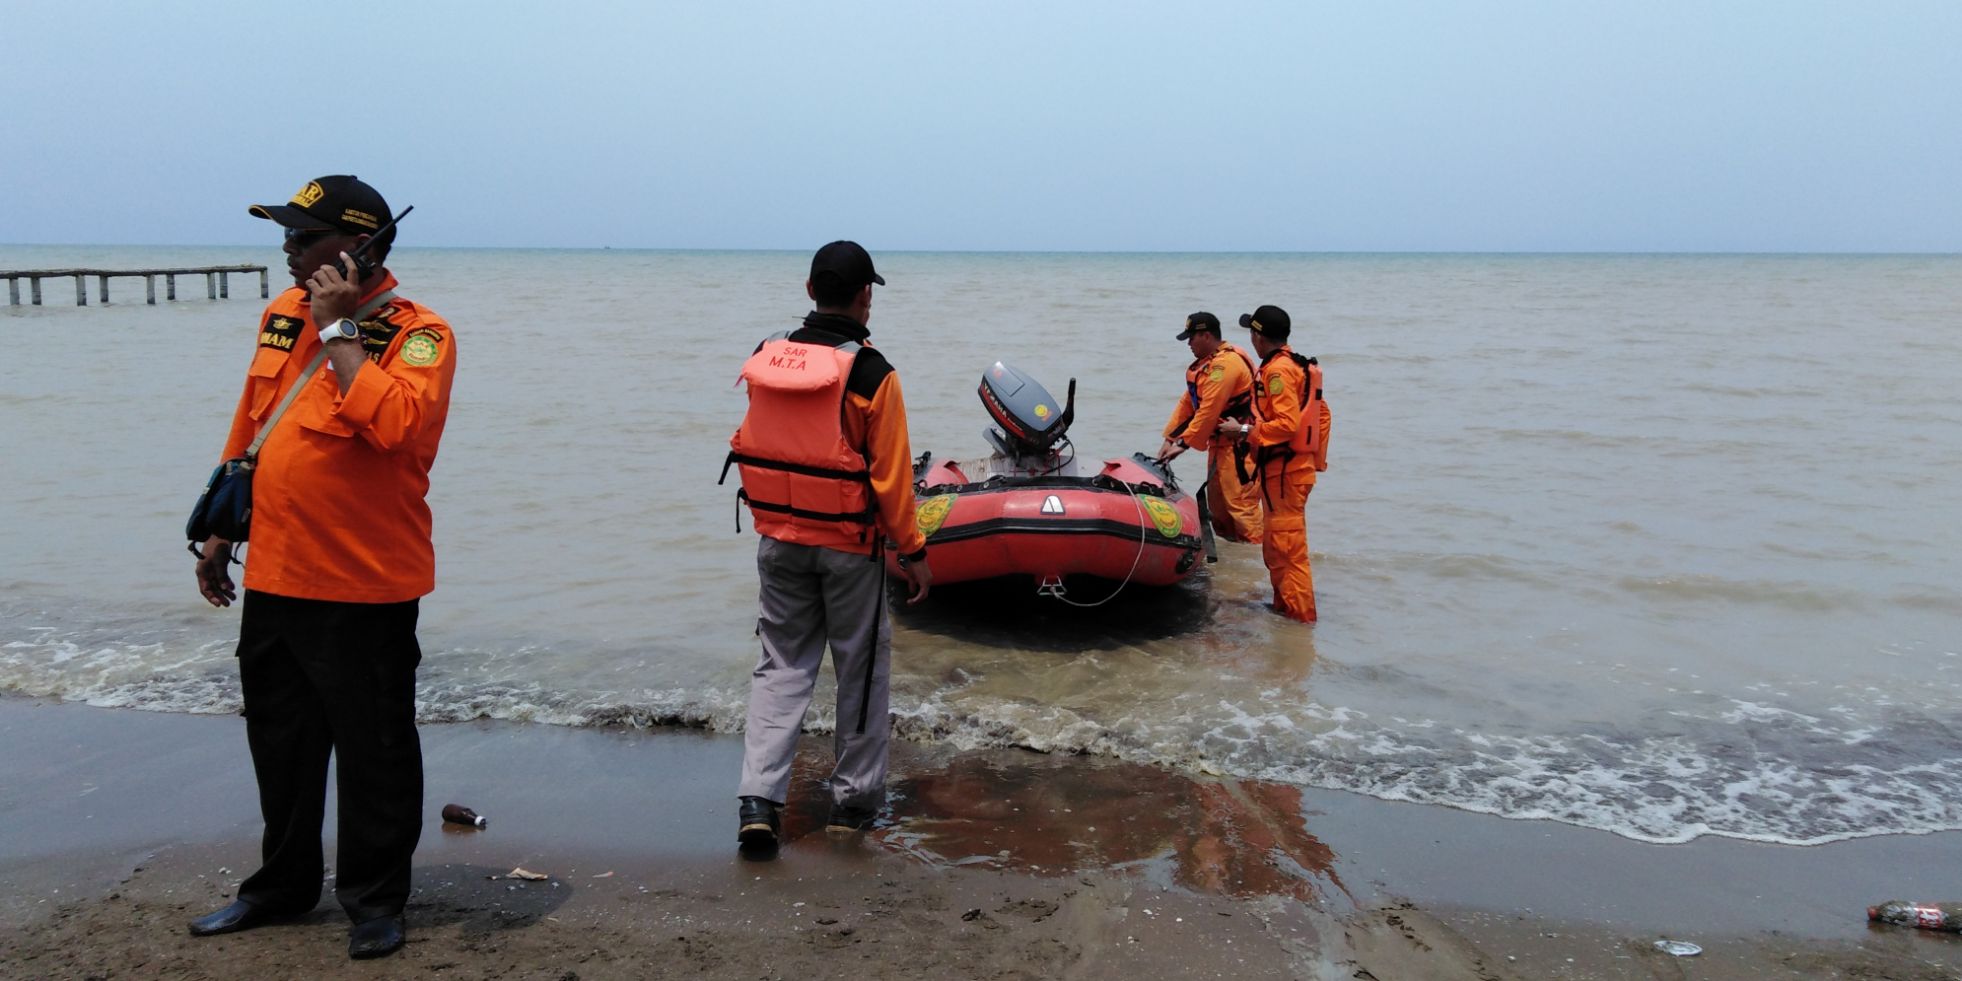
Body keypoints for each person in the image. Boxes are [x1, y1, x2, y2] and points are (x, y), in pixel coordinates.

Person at [188, 175, 456, 959]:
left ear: (361, 245)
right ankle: (279, 886)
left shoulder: (421, 332)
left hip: (365, 582)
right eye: (287, 235)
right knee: (282, 744)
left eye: (304, 238)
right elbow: (255, 416)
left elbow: (400, 428)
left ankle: (375, 900)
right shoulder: (280, 314)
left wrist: (341, 334)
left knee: (374, 751)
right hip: (275, 571)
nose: (288, 249)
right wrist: (219, 528)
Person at [723, 241, 932, 849]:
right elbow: (891, 478)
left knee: (779, 667)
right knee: (860, 673)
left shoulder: (765, 357)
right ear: (866, 297)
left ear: (810, 290)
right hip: (849, 547)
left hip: (778, 539)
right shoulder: (873, 373)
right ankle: (852, 804)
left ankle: (759, 801)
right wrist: (913, 553)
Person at [1218, 304, 1329, 622]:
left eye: (1252, 333)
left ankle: (1300, 619)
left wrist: (1241, 430)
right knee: (1279, 547)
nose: (1250, 339)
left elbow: (1287, 425)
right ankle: (1286, 611)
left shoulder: (1278, 371)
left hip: (1286, 474)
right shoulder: (1294, 365)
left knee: (1287, 549)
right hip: (1286, 472)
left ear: (1259, 336)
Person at [1156, 311, 1263, 543]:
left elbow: (1209, 409)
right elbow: (1189, 404)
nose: (1188, 344)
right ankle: (1234, 570)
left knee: (1243, 512)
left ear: (1205, 336)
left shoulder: (1226, 365)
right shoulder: (1205, 366)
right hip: (1219, 448)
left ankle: (1257, 566)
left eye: (1191, 338)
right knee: (1220, 517)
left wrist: (1183, 445)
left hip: (1240, 450)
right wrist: (1169, 439)